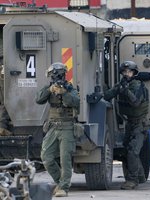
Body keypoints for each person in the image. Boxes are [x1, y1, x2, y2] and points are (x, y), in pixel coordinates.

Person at [35, 62, 80, 197]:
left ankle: (64, 187)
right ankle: (60, 182)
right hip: (53, 127)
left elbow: (75, 102)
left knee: (65, 159)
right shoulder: (50, 88)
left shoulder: (70, 89)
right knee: (46, 156)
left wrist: (64, 93)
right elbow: (38, 99)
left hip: (67, 127)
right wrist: (50, 90)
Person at [103, 61, 149, 190]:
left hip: (140, 124)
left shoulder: (139, 86)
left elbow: (135, 102)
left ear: (134, 73)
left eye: (129, 72)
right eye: (124, 72)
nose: (127, 74)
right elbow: (108, 95)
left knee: (133, 152)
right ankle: (140, 175)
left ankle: (132, 180)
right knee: (126, 150)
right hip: (130, 123)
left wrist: (125, 90)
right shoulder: (122, 85)